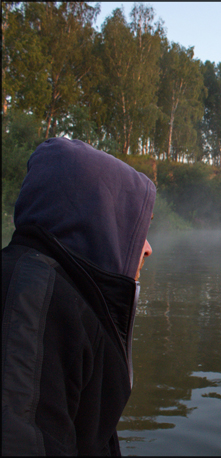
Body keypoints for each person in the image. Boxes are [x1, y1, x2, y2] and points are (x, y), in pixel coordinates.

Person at [2, 137, 156, 455]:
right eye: (136, 228)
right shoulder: (33, 300)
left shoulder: (67, 293)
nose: (147, 248)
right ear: (98, 218)